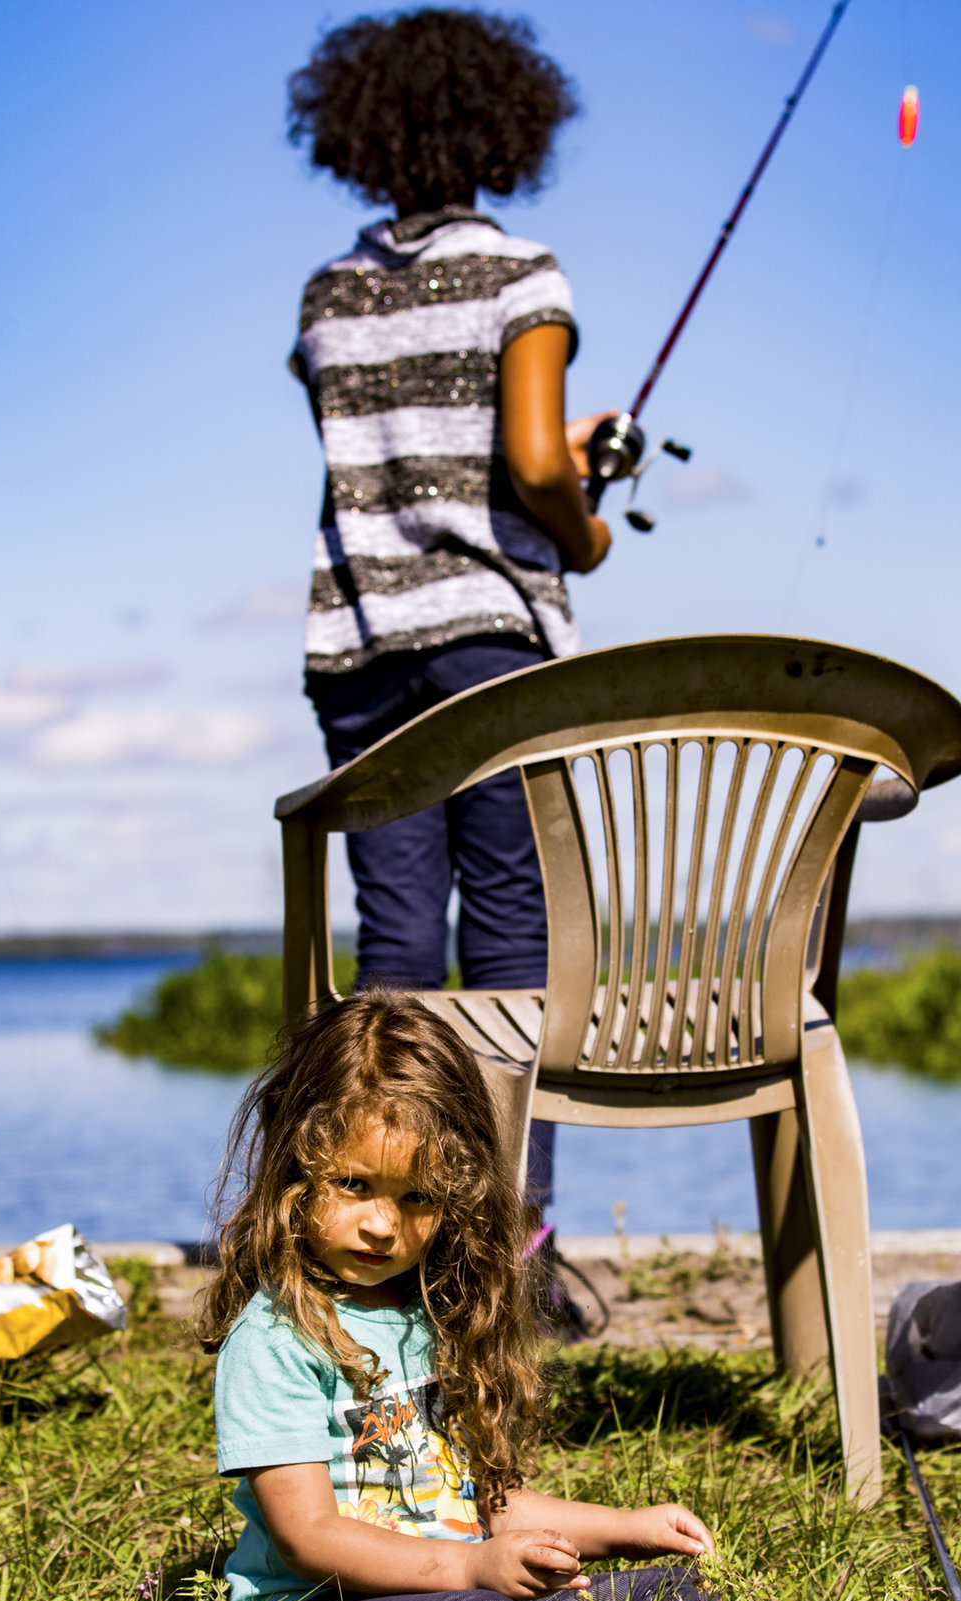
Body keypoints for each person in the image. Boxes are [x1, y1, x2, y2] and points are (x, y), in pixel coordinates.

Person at [285, 9, 615, 1284]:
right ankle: (510, 1245)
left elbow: (384, 452)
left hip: (359, 640)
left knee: (398, 951)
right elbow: (531, 464)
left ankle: (377, 1227)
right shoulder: (523, 276)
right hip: (489, 642)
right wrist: (582, 529)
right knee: (518, 943)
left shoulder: (328, 293)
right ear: (504, 125)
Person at [198, 992, 715, 1601]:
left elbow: (484, 1505)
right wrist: (473, 1571)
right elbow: (307, 1539)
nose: (383, 1225)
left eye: (418, 1199)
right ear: (296, 1172)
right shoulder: (273, 1340)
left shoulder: (437, 1317)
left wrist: (627, 1524)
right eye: (355, 1185)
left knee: (673, 1598)